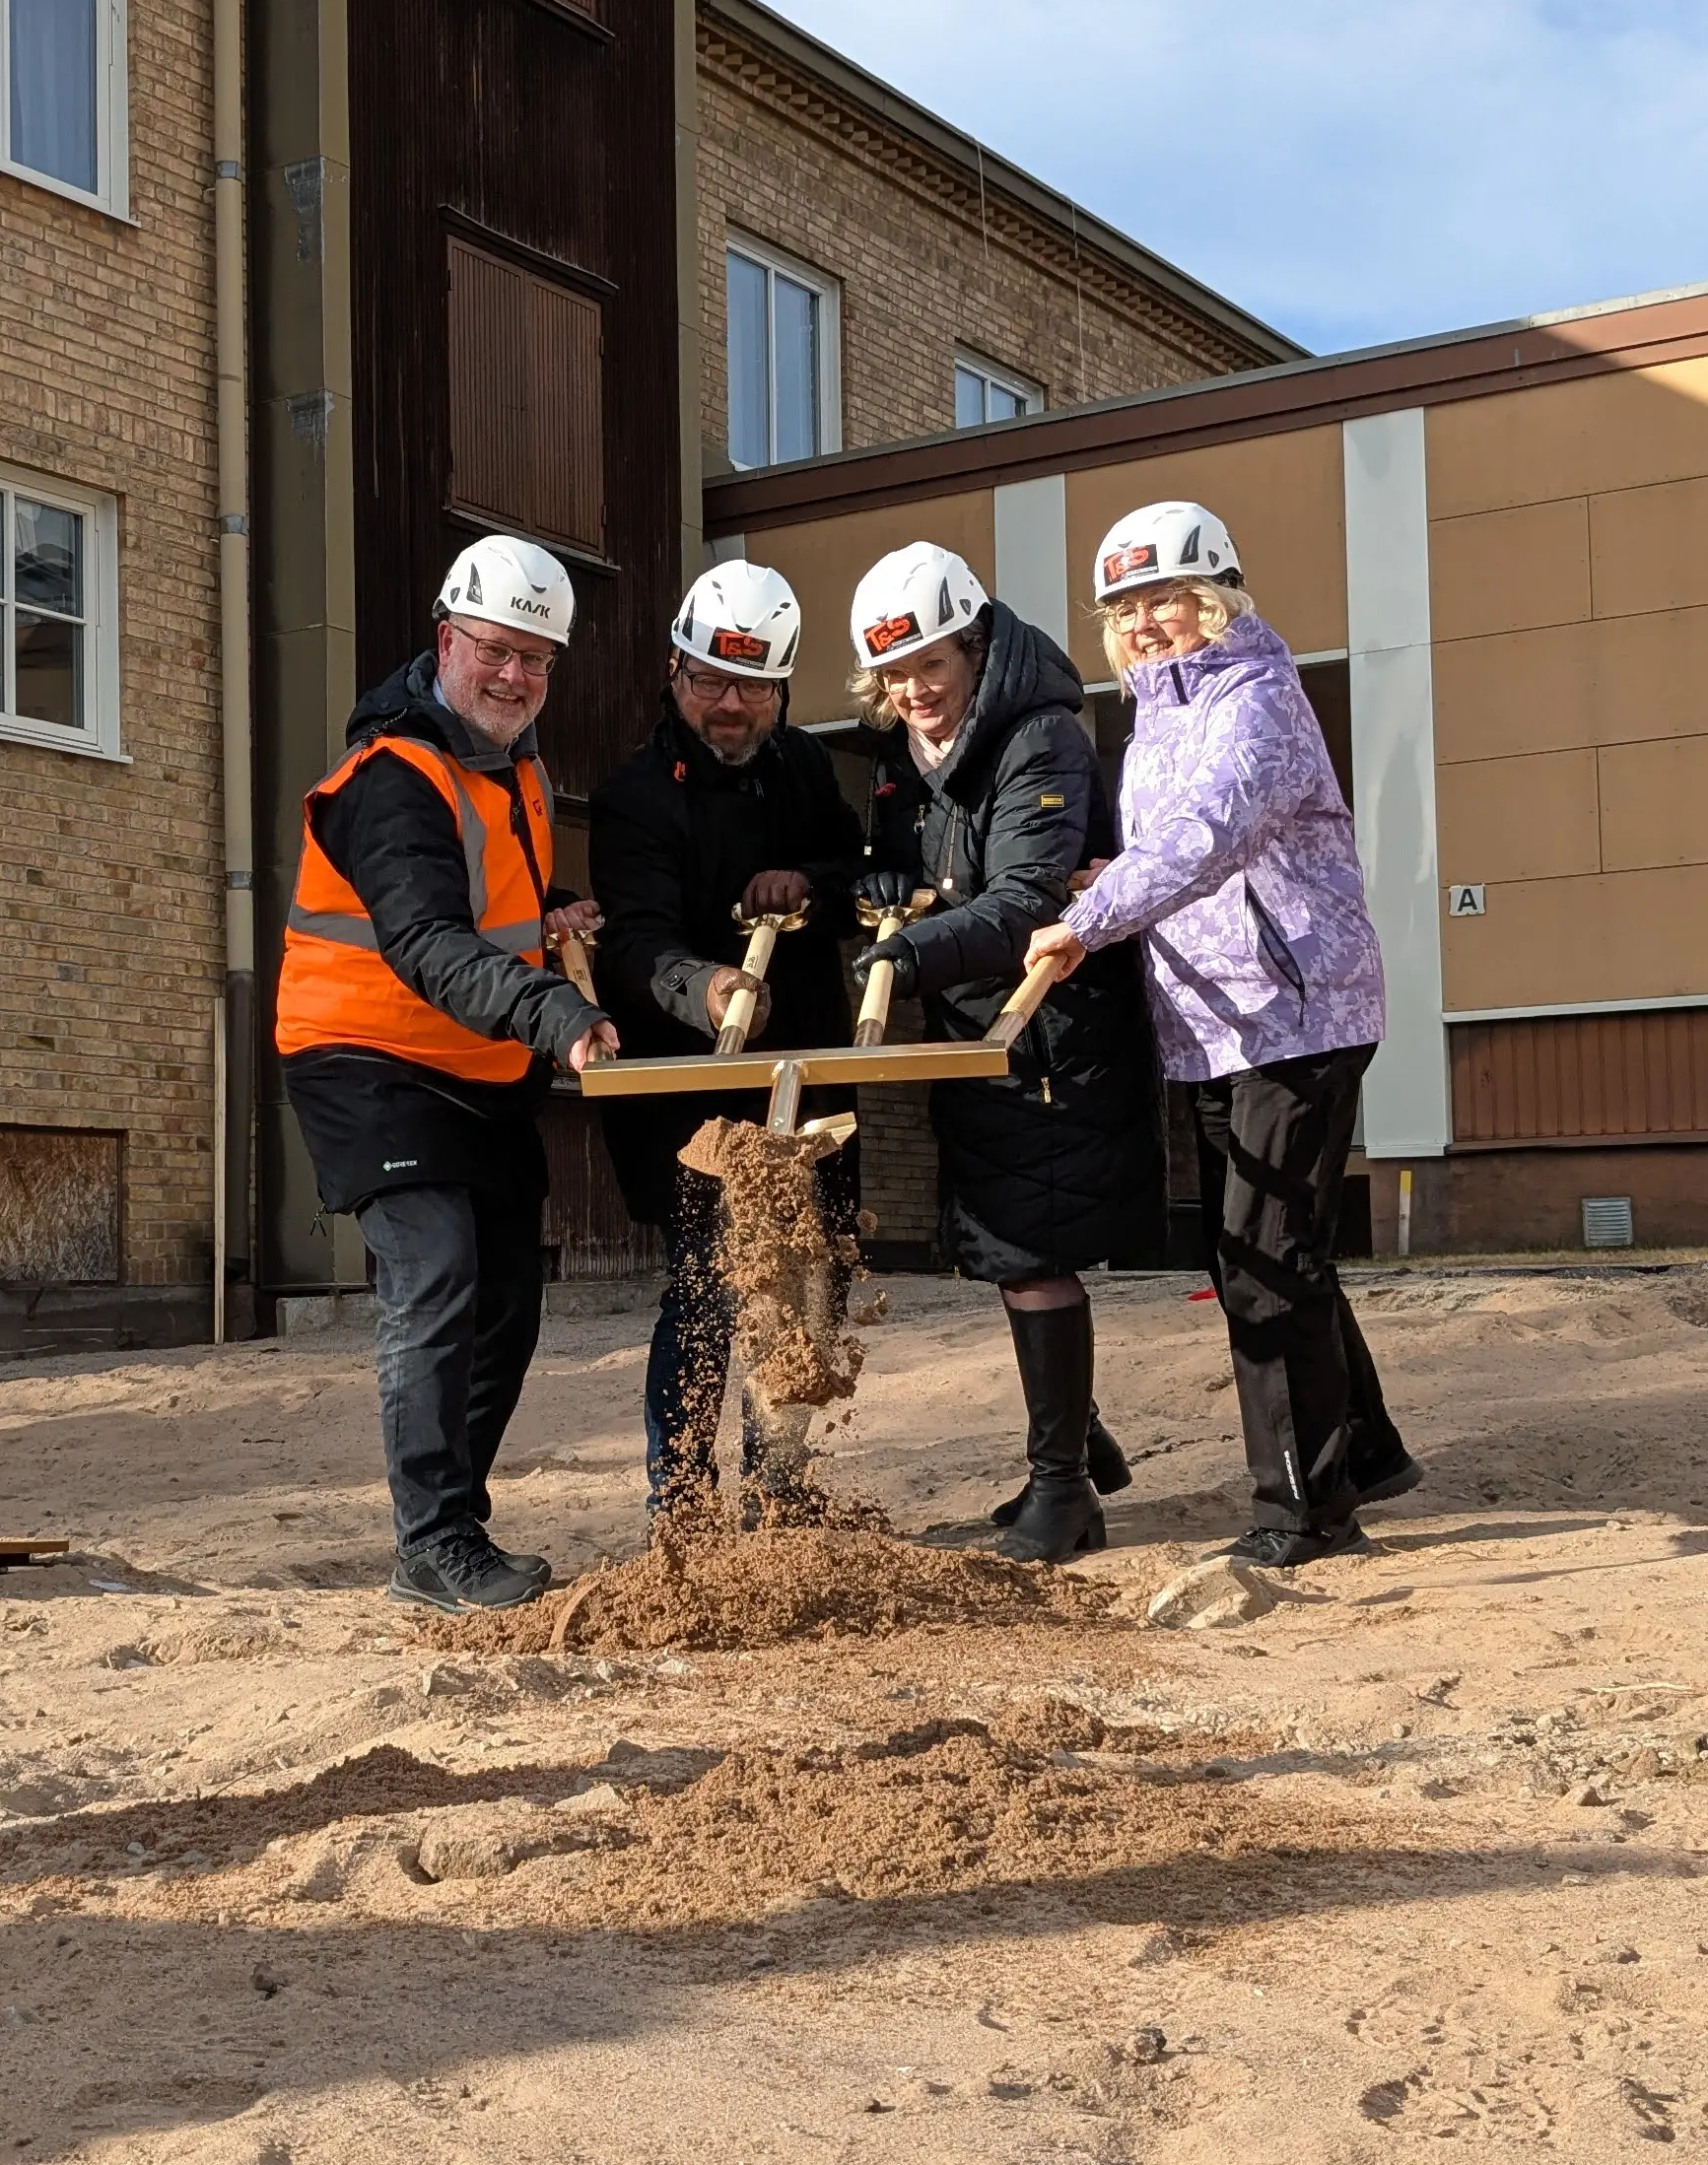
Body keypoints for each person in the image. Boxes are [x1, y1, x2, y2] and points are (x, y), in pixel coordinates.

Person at [1020, 502, 1420, 1569]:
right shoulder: (1155, 715)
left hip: (1298, 1014)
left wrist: (1092, 920)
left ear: (1215, 598)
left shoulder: (1257, 698)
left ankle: (1306, 1512)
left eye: (1162, 600)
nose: (1144, 623)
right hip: (1213, 1024)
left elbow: (1212, 831)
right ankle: (1366, 1452)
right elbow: (1180, 852)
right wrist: (1116, 880)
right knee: (1276, 1251)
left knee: (1263, 1265)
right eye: (1124, 606)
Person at [275, 533, 625, 1614]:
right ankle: (430, 1542)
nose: (515, 676)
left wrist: (549, 912)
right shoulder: (391, 778)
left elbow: (486, 902)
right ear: (446, 641)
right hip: (362, 1054)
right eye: (495, 651)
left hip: (472, 1066)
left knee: (510, 1303)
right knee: (433, 1272)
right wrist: (548, 1006)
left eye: (537, 659)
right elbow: (425, 937)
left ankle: (452, 1528)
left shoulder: (512, 763)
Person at [841, 541, 1157, 1564]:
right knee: (1007, 1245)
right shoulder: (909, 756)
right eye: (895, 674)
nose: (915, 690)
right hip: (978, 1029)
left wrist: (906, 951)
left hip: (1053, 1028)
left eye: (933, 663)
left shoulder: (1040, 739)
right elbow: (919, 866)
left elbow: (1024, 897)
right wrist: (892, 892)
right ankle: (1074, 1437)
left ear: (976, 645)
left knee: (1032, 1249)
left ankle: (1064, 1493)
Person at [588, 561, 867, 1512]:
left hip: (807, 1077)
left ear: (782, 692)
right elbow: (631, 939)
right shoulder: (636, 796)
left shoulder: (805, 768)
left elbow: (851, 870)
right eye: (709, 680)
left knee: (806, 1284)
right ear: (673, 672)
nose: (729, 706)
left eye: (751, 687)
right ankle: (684, 1500)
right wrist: (702, 986)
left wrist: (807, 883)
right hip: (694, 1087)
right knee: (705, 1287)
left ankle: (783, 1489)